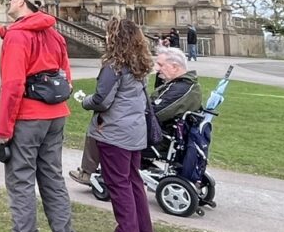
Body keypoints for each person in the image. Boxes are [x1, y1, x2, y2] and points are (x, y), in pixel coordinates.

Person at [0, 0, 76, 232]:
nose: (9, 0)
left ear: (23, 2)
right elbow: (66, 77)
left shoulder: (18, 36)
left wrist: (4, 130)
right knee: (52, 179)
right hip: (55, 114)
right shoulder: (55, 35)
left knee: (21, 182)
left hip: (29, 117)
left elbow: (12, 85)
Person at [69, 46, 202, 184]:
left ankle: (88, 172)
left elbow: (153, 113)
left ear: (175, 67)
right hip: (157, 133)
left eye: (161, 65)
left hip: (154, 138)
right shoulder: (183, 85)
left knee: (100, 127)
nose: (157, 69)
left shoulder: (179, 89)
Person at [80, 17, 156, 232]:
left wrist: (85, 101)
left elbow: (102, 100)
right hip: (135, 131)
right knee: (133, 180)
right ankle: (143, 231)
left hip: (115, 132)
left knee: (118, 182)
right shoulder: (140, 63)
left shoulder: (114, 65)